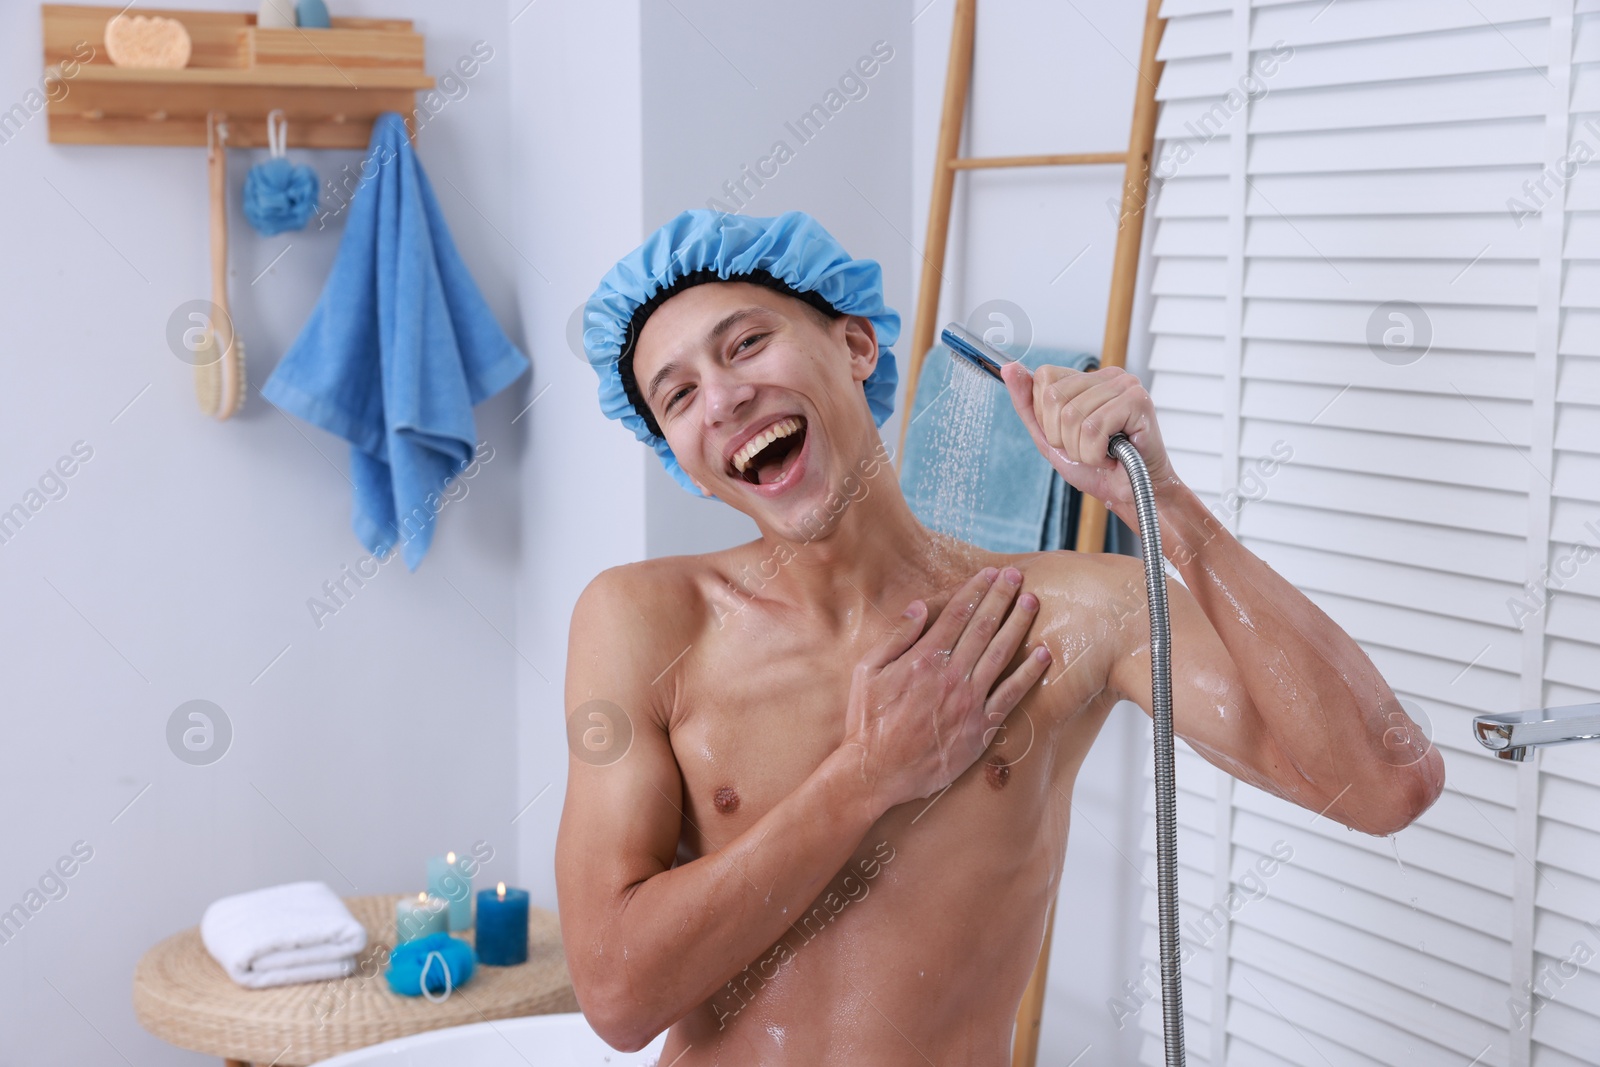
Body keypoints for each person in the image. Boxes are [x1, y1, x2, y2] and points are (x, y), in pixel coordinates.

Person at [554, 210, 1444, 1064]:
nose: (724, 396)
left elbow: (1382, 783)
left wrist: (1164, 509)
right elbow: (619, 996)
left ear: (855, 345)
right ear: (683, 459)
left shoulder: (1067, 615)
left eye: (747, 343)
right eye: (677, 395)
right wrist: (866, 777)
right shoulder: (643, 622)